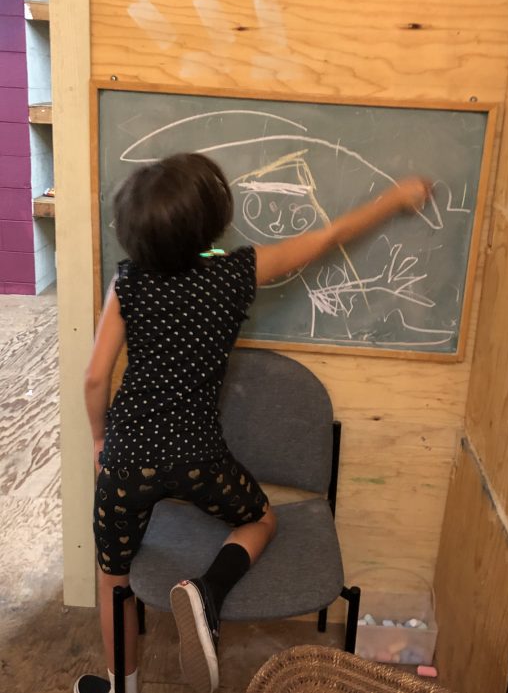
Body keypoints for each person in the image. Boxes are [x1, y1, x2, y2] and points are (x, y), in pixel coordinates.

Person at [75, 153, 431, 693]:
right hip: (197, 456)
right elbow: (329, 235)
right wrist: (393, 199)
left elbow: (95, 380)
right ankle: (209, 593)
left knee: (113, 576)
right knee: (262, 518)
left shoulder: (128, 285)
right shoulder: (235, 271)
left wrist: (101, 437)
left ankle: (120, 686)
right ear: (212, 221)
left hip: (127, 460)